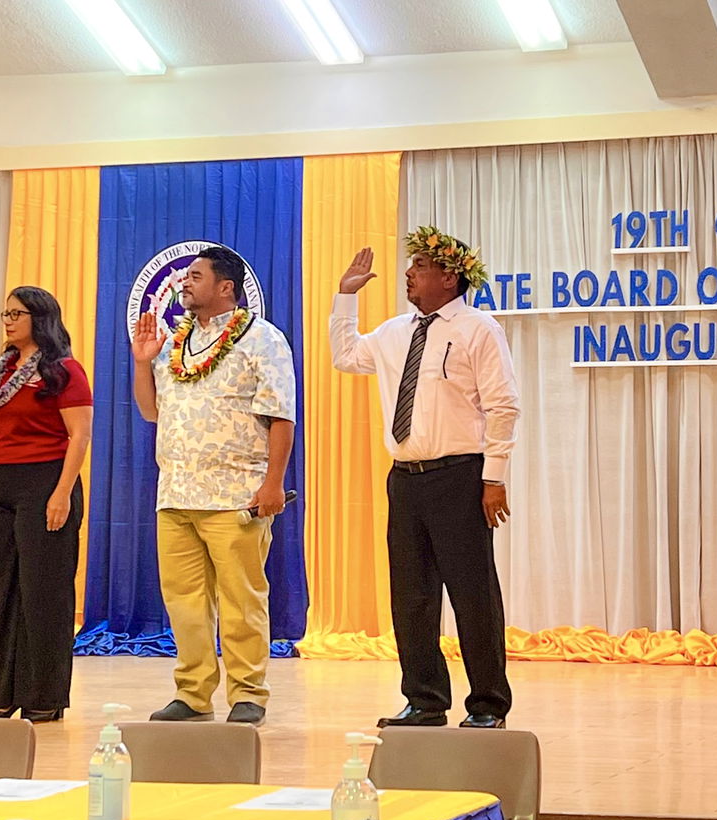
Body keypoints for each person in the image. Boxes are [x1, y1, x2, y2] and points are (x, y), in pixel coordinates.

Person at [329, 227, 520, 729]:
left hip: (460, 475)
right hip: (406, 479)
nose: (409, 275)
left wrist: (494, 477)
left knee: (472, 591)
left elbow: (503, 406)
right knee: (411, 593)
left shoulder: (479, 328)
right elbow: (346, 356)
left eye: (419, 267)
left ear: (449, 276)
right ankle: (425, 698)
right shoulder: (395, 332)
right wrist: (345, 299)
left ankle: (486, 704)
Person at [131, 245, 296, 727]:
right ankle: (193, 692)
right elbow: (149, 410)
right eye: (185, 276)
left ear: (226, 287)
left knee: (242, 599)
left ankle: (249, 693)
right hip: (176, 492)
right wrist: (144, 362)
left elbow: (281, 415)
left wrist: (273, 484)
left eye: (195, 276)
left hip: (237, 496)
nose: (185, 282)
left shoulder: (262, 338)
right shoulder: (176, 343)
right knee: (183, 602)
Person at [0, 286, 92, 723]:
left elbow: (80, 434)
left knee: (43, 593)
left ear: (41, 318)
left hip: (46, 480)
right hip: (0, 482)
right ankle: (4, 696)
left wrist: (61, 492)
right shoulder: (0, 373)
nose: (8, 320)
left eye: (17, 313)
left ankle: (44, 696)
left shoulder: (63, 371)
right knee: (2, 590)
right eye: (5, 313)